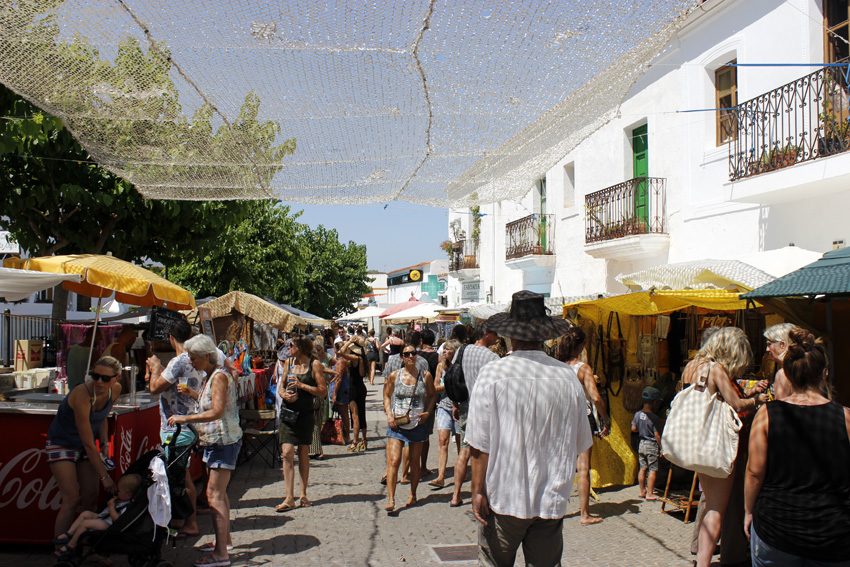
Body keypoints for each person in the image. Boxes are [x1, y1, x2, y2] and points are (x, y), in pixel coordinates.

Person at [466, 290, 592, 567]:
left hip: (503, 498)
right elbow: (581, 442)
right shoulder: (567, 377)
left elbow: (479, 445)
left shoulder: (492, 374)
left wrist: (477, 491)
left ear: (510, 335)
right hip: (550, 498)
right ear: (544, 334)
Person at [744, 328, 850, 566]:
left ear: (788, 375)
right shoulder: (845, 417)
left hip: (776, 528)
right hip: (833, 533)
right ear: (825, 374)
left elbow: (754, 472)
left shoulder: (767, 415)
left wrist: (748, 511)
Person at [683, 327, 769, 567]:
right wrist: (757, 400)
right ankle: (704, 563)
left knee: (710, 503)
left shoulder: (692, 367)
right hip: (715, 446)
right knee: (716, 509)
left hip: (695, 443)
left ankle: (701, 558)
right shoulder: (715, 368)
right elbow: (736, 402)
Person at [167, 335, 242, 567]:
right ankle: (225, 542)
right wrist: (192, 394)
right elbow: (211, 404)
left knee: (213, 495)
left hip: (223, 440)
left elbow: (217, 411)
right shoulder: (211, 375)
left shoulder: (218, 376)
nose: (191, 362)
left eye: (194, 358)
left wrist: (185, 417)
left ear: (207, 357)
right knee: (218, 494)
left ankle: (221, 554)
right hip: (217, 440)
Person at [47, 356, 122, 540]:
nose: (99, 381)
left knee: (91, 497)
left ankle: (87, 548)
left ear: (116, 378)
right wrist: (105, 476)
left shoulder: (116, 390)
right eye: (95, 376)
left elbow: (103, 416)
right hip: (62, 442)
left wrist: (104, 442)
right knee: (71, 500)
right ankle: (60, 551)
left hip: (85, 446)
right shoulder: (82, 394)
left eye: (106, 378)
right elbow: (88, 443)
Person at [145, 318, 202, 538]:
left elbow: (154, 389)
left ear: (171, 338)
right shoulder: (194, 359)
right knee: (181, 476)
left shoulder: (178, 361)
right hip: (188, 425)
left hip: (176, 428)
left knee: (181, 477)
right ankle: (185, 518)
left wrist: (154, 368)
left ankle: (191, 521)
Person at [557, 326, 610, 524]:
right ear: (580, 347)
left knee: (561, 464)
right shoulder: (583, 368)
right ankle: (584, 514)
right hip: (582, 417)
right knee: (583, 467)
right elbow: (595, 398)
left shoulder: (556, 366)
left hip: (561, 418)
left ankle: (557, 510)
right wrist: (605, 418)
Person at [275, 336, 328, 512]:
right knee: (287, 453)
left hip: (305, 414)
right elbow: (280, 386)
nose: (288, 348)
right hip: (288, 414)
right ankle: (289, 497)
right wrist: (283, 394)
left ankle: (303, 493)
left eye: (291, 345)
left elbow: (322, 391)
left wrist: (302, 386)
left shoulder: (314, 365)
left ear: (301, 348)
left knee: (303, 452)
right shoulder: (288, 362)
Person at [450, 323, 499, 508]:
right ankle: (481, 493)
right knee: (483, 454)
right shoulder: (492, 357)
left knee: (464, 453)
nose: (497, 338)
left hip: (464, 405)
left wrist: (455, 403)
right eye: (494, 334)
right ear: (486, 334)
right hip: (484, 410)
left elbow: (454, 376)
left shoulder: (462, 351)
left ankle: (455, 495)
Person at [383, 343, 436, 513]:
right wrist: (389, 415)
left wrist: (427, 412)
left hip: (417, 424)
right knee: (394, 460)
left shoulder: (425, 376)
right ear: (402, 357)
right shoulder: (394, 376)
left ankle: (413, 494)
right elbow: (386, 395)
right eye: (407, 354)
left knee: (414, 462)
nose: (411, 356)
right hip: (397, 424)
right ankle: (391, 499)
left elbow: (432, 395)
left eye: (414, 353)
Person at [53, 474, 143, 558]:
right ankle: (70, 533)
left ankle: (71, 546)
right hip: (105, 517)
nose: (117, 493)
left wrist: (111, 507)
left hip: (110, 524)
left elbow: (118, 520)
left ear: (128, 495)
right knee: (85, 514)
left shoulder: (127, 506)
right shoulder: (121, 500)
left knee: (85, 524)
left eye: (119, 491)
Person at [429, 339, 462, 489]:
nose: (444, 352)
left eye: (448, 350)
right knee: (443, 441)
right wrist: (446, 385)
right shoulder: (440, 367)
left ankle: (462, 473)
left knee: (461, 442)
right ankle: (441, 476)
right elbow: (435, 387)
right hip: (443, 406)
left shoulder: (461, 367)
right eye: (444, 349)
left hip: (460, 407)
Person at [631, 387, 663, 500]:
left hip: (642, 444)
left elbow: (633, 428)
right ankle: (650, 493)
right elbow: (657, 435)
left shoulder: (638, 414)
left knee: (643, 468)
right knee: (653, 469)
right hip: (651, 445)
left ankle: (642, 491)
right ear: (655, 402)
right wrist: (661, 448)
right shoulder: (654, 418)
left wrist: (641, 428)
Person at [340, 336, 369, 451]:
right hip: (361, 387)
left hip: (353, 388)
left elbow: (340, 352)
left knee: (355, 415)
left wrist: (349, 342)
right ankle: (364, 440)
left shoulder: (354, 358)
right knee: (362, 414)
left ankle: (355, 441)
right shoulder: (363, 359)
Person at [763, 322, 797, 400]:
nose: (767, 349)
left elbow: (780, 407)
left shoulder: (783, 374)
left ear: (782, 345)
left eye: (769, 344)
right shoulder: (803, 367)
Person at [330, 342, 352, 446]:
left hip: (341, 391)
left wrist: (334, 393)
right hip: (343, 390)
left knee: (344, 414)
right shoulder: (342, 361)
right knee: (344, 414)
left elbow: (338, 379)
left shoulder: (341, 362)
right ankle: (345, 435)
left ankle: (347, 436)